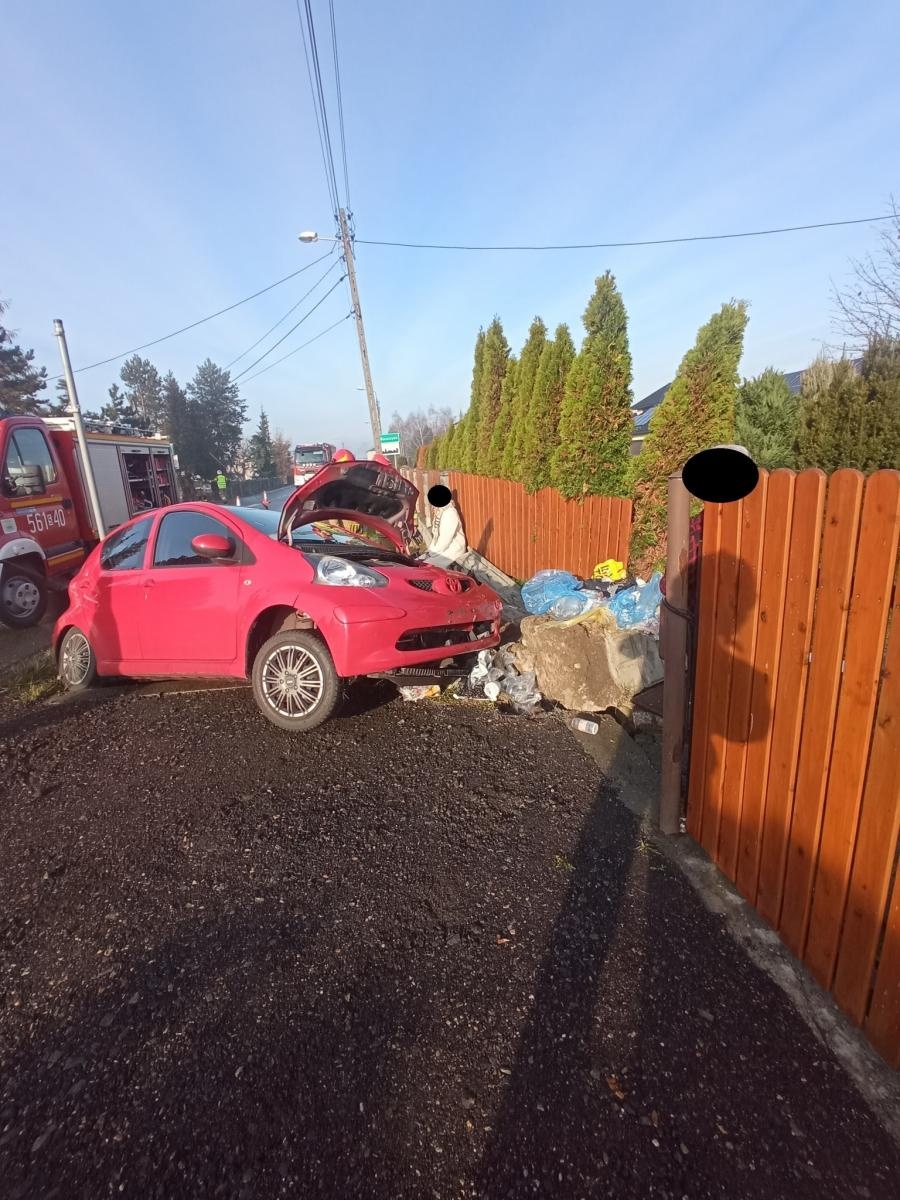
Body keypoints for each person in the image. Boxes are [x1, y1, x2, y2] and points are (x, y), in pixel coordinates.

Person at [420, 483, 467, 570]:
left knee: (423, 568)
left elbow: (445, 540)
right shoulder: (440, 511)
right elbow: (435, 538)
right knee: (416, 562)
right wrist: (429, 552)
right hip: (441, 550)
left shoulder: (450, 513)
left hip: (452, 551)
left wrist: (431, 554)